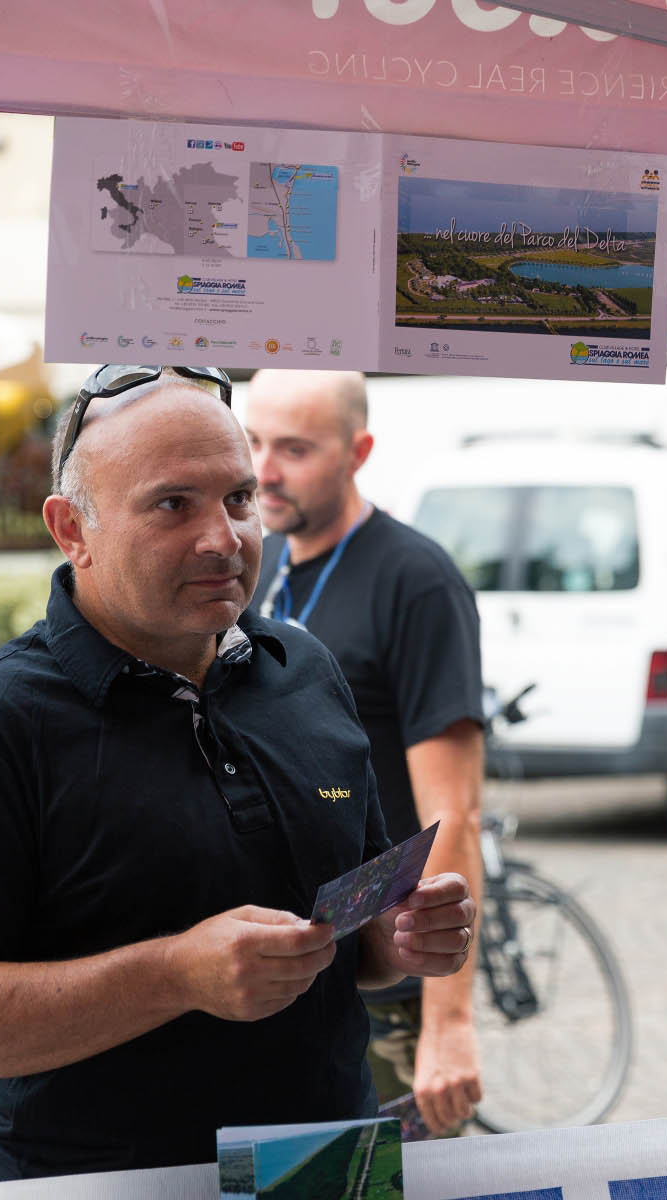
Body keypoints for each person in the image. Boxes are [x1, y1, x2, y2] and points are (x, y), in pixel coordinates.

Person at [0, 365, 478, 1181]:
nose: (223, 538)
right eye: (173, 505)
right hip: (109, 1184)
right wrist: (174, 975)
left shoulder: (304, 669)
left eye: (238, 498)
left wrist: (398, 935)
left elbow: (356, 942)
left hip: (328, 1168)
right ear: (71, 529)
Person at [244, 368, 487, 1136]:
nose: (263, 470)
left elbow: (455, 813)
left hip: (390, 983)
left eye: (294, 449)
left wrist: (448, 1022)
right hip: (284, 977)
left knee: (378, 1182)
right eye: (253, 442)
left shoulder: (415, 580)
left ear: (359, 452)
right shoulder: (260, 565)